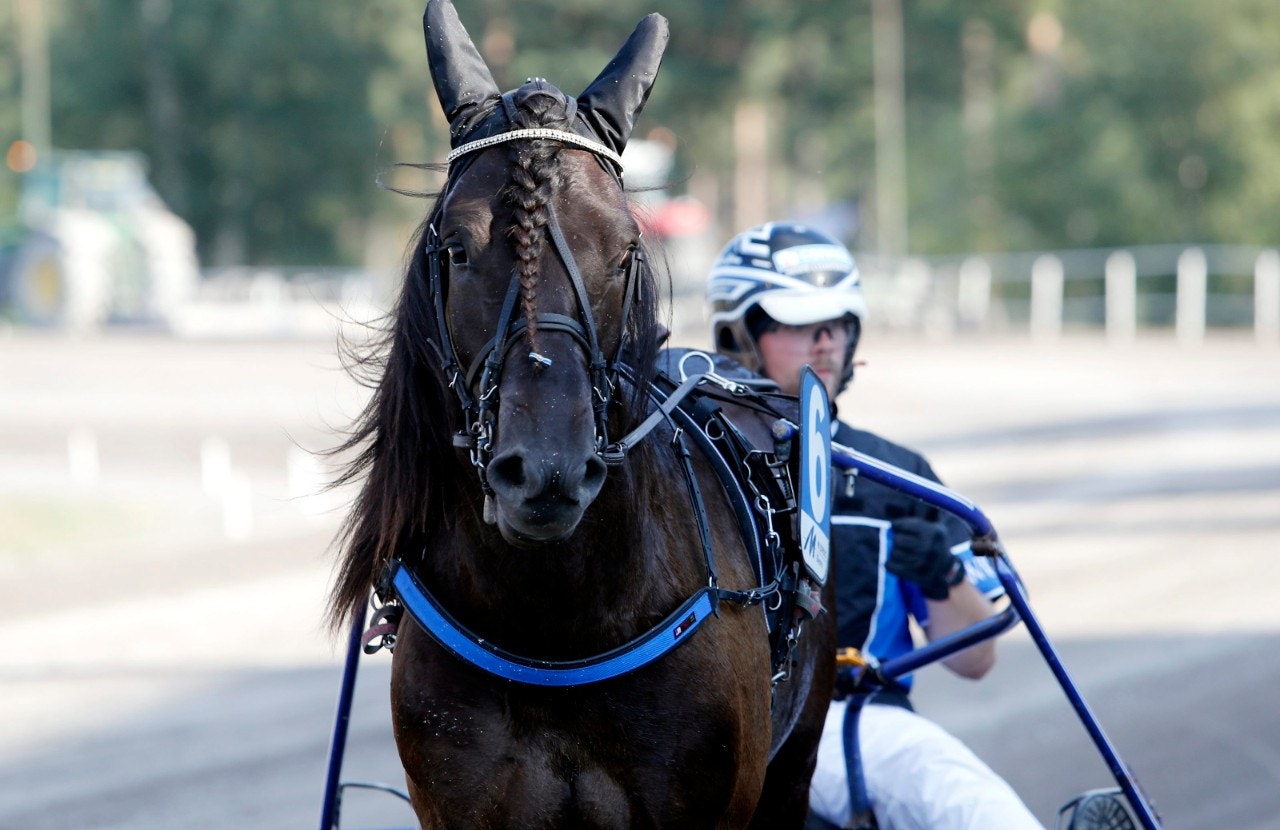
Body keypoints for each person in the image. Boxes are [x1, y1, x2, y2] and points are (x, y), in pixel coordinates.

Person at [706, 222, 1044, 830]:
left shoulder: (900, 476)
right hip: (715, 723)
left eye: (837, 323)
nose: (825, 341)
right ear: (738, 333)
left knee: (965, 800)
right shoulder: (688, 465)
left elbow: (976, 660)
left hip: (855, 721)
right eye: (799, 323)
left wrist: (942, 577)